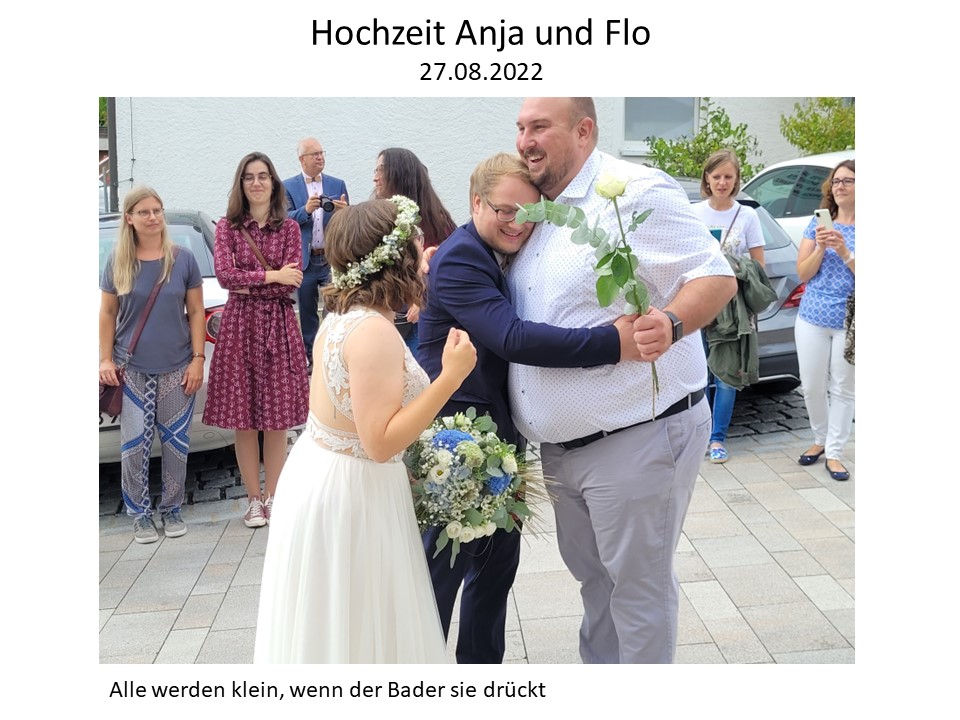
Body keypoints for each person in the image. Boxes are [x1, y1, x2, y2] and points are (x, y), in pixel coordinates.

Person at [510, 97, 737, 663]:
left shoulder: (635, 191)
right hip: (563, 452)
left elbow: (715, 276)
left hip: (636, 433)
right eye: (521, 127)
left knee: (637, 593)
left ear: (583, 130)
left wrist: (672, 322)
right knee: (597, 587)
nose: (525, 141)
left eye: (539, 127)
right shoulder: (542, 208)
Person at [417, 152, 644, 664]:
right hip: (456, 440)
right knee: (442, 575)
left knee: (494, 572)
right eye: (505, 210)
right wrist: (613, 343)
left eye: (530, 212)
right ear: (476, 203)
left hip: (500, 435)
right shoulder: (460, 258)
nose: (518, 222)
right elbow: (512, 337)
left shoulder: (501, 247)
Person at [254, 197, 477, 663]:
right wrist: (451, 377)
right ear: (393, 259)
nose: (425, 258)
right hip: (352, 493)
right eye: (416, 248)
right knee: (362, 630)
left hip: (328, 474)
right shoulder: (373, 331)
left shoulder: (344, 315)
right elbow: (378, 442)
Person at [203, 152, 309, 528]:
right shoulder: (227, 228)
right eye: (249, 177)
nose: (257, 183)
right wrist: (271, 276)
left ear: (273, 182)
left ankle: (275, 496)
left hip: (278, 326)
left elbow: (293, 280)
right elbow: (225, 277)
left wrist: (256, 282)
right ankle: (253, 500)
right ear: (241, 184)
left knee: (277, 419)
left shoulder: (290, 228)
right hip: (240, 328)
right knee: (244, 418)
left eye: (263, 176)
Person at [99, 186, 206, 544]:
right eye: (144, 212)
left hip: (177, 368)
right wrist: (105, 358)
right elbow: (107, 313)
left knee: (176, 445)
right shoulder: (117, 261)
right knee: (133, 447)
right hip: (131, 370)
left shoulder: (183, 259)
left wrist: (198, 359)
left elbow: (196, 313)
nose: (153, 217)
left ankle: (172, 509)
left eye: (157, 210)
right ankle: (140, 515)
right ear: (129, 218)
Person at [691, 149, 766, 464]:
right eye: (716, 176)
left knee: (725, 376)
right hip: (696, 302)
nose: (722, 182)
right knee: (699, 374)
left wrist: (733, 265)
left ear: (736, 180)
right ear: (707, 179)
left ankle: (717, 438)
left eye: (728, 177)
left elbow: (759, 265)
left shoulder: (747, 215)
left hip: (731, 308)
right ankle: (698, 436)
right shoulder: (693, 212)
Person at [795, 159, 855, 481]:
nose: (840, 186)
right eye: (836, 181)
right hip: (812, 316)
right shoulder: (817, 223)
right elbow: (803, 273)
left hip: (851, 320)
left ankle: (834, 453)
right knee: (812, 385)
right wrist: (820, 247)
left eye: (848, 180)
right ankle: (820, 438)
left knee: (843, 387)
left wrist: (845, 252)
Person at [373, 148, 456, 354]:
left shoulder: (437, 222)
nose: (375, 178)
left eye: (381, 170)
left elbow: (447, 268)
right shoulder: (377, 217)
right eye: (375, 170)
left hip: (416, 323)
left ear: (399, 174)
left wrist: (423, 297)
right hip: (383, 317)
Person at [283, 137, 349, 369]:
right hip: (306, 259)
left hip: (332, 257)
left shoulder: (337, 184)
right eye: (315, 154)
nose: (320, 157)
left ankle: (332, 354)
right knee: (308, 312)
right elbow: (283, 220)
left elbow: (349, 222)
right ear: (302, 159)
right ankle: (312, 358)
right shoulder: (288, 187)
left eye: (322, 153)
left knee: (335, 307)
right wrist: (305, 210)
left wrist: (344, 212)